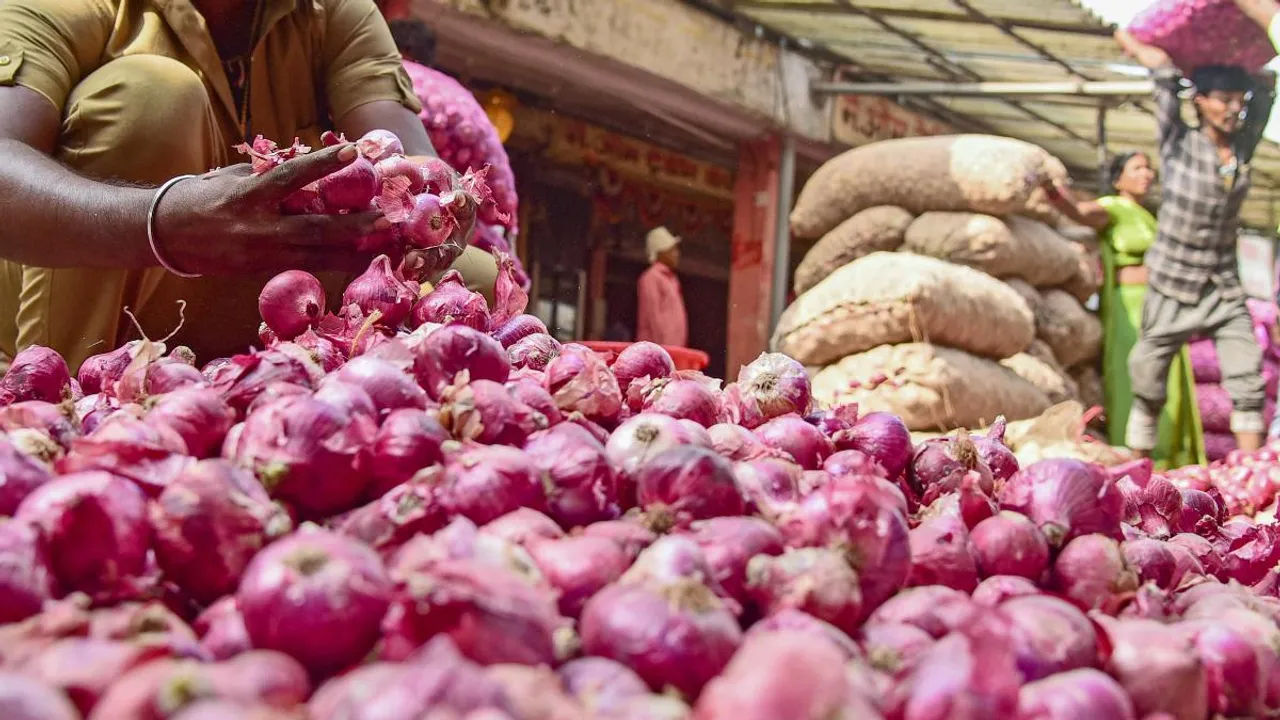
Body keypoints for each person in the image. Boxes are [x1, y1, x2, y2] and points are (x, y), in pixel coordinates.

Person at [0, 0, 463, 369]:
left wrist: (439, 206)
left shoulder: (335, 12)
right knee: (153, 93)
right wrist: (158, 223)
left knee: (472, 278)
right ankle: (62, 397)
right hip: (83, 292)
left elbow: (417, 169)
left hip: (251, 291)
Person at [1113, 16, 1277, 456]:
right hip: (1173, 280)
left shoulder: (1241, 147)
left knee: (1247, 378)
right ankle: (1138, 466)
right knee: (1148, 376)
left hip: (1222, 284)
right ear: (1200, 102)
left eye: (1236, 101)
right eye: (1222, 100)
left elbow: (1265, 90)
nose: (1231, 109)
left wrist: (1247, 44)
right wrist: (1135, 42)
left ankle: (1253, 471)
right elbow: (1164, 80)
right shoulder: (1178, 143)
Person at [1046, 154, 1206, 468]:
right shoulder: (1113, 208)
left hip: (1161, 302)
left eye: (1149, 167)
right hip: (1128, 307)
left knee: (1168, 377)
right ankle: (1139, 453)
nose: (1147, 174)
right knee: (1132, 375)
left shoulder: (1149, 216)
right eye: (1138, 168)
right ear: (1118, 179)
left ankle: (1172, 456)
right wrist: (1051, 191)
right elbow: (1079, 212)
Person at [636, 226, 688, 348]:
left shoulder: (672, 279)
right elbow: (654, 317)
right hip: (657, 350)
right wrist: (661, 350)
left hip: (673, 350)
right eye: (673, 250)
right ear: (661, 252)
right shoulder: (651, 277)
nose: (677, 254)